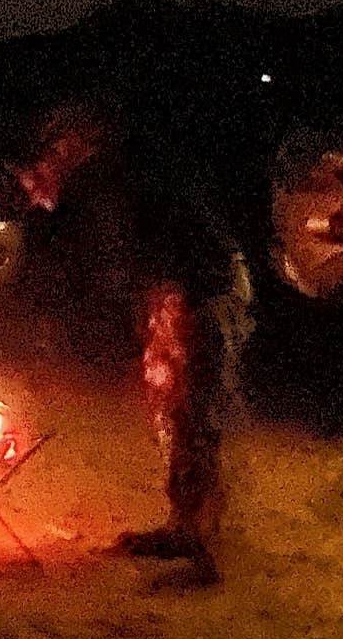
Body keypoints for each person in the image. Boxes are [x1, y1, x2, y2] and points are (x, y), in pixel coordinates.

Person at [20, 104, 250, 585]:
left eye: (35, 175)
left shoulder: (105, 178)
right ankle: (182, 528)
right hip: (175, 291)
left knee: (199, 413)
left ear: (67, 150)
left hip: (206, 289)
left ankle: (210, 556)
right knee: (175, 414)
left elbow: (103, 267)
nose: (31, 191)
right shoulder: (105, 177)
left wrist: (53, 328)